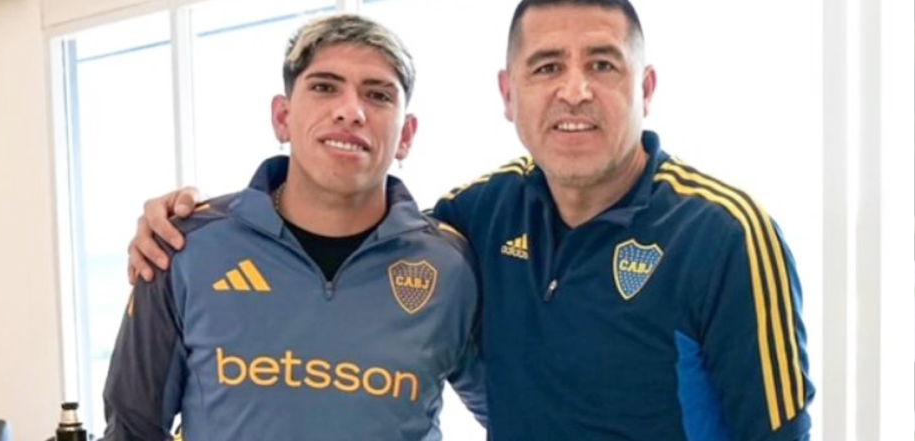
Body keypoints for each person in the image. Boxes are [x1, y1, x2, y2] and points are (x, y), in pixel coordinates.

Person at [126, 1, 815, 440]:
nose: (574, 90)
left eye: (603, 64)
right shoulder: (477, 219)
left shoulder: (723, 233)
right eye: (547, 66)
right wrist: (177, 220)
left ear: (645, 87)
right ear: (509, 95)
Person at [103, 14, 486, 441]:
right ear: (282, 117)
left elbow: (519, 414)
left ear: (407, 136)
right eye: (324, 87)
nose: (350, 111)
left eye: (378, 95)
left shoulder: (451, 267)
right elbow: (131, 430)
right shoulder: (183, 248)